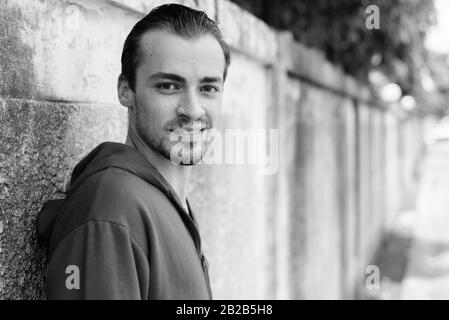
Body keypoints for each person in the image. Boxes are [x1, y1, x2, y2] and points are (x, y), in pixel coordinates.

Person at [37, 3, 231, 299]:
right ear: (126, 90)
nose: (193, 110)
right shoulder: (111, 207)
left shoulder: (165, 202)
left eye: (208, 88)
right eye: (168, 86)